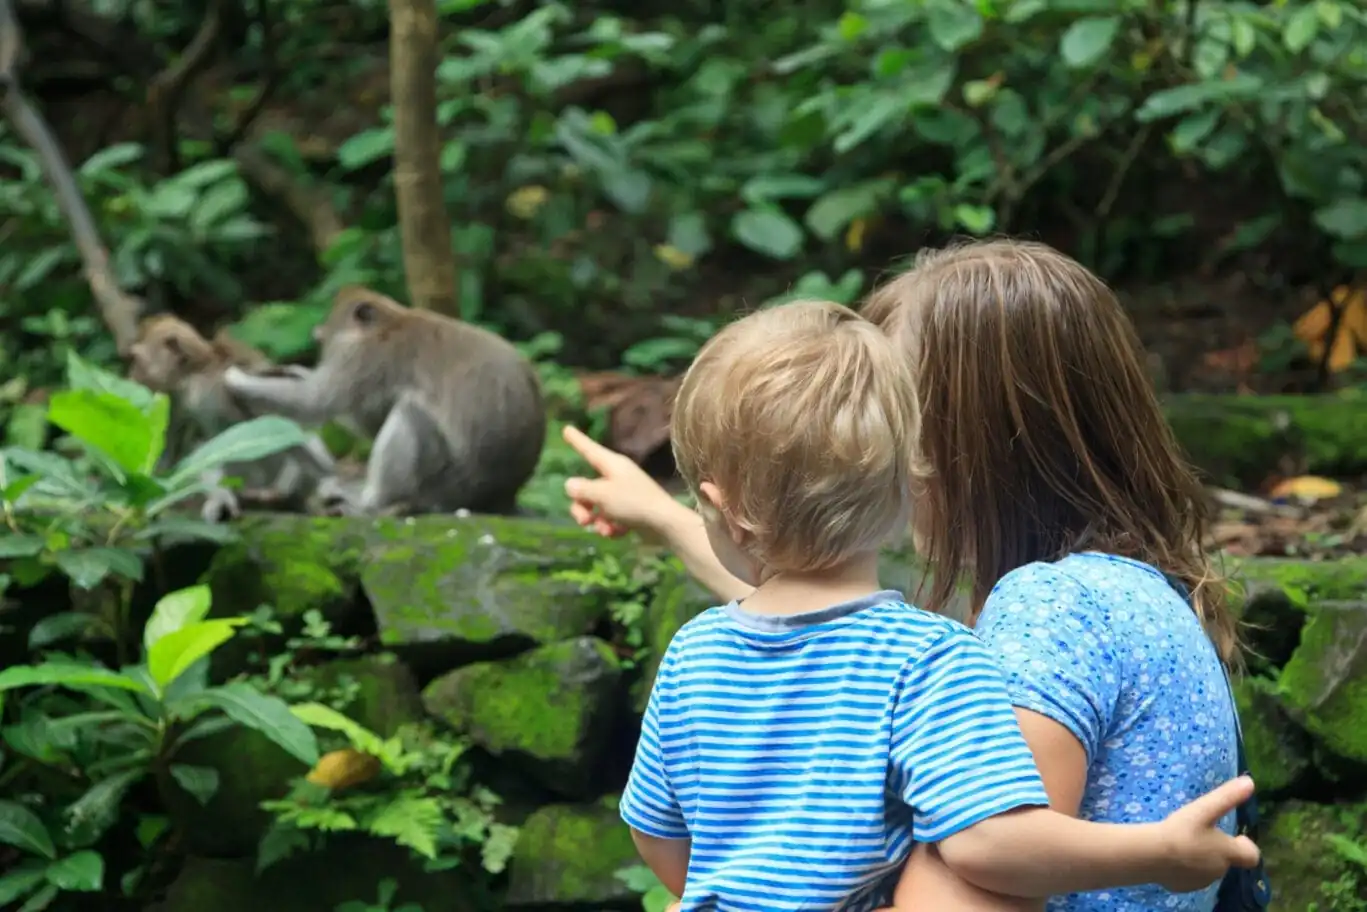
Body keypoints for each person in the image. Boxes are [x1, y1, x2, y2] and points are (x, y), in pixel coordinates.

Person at [606, 295, 1258, 912]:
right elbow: (989, 844)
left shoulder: (693, 653)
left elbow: (656, 834)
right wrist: (1158, 851)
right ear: (909, 481)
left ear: (719, 506)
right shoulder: (931, 661)